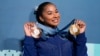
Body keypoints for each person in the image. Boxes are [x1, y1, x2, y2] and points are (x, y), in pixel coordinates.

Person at [23, 2, 87, 56]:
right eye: (50, 13)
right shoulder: (36, 39)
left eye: (56, 12)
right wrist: (28, 37)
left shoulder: (67, 37)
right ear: (41, 18)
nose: (56, 15)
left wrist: (81, 35)